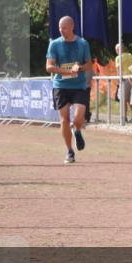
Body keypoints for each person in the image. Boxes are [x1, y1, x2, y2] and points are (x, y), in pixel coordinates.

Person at [46, 16, 91, 164]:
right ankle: (69, 151)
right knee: (64, 119)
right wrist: (67, 72)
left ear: (72, 27)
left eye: (64, 28)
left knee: (78, 117)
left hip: (79, 86)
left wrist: (80, 68)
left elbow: (89, 65)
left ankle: (77, 130)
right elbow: (49, 67)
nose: (61, 30)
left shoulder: (82, 43)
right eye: (60, 28)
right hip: (61, 86)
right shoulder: (54, 44)